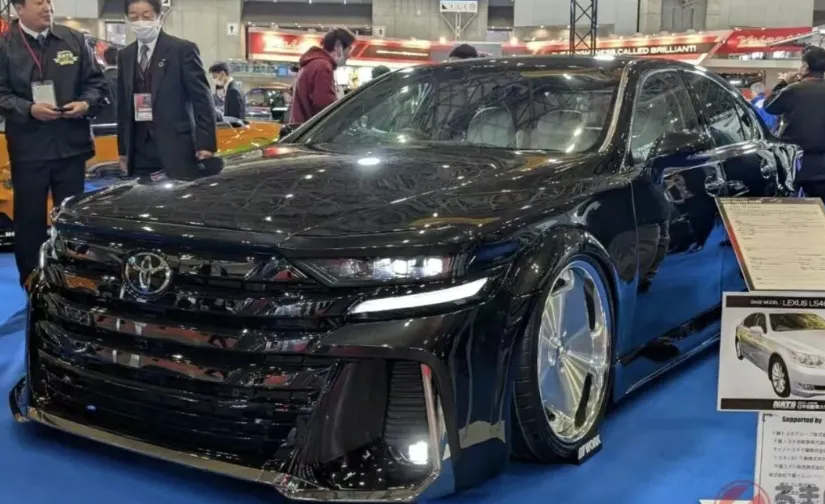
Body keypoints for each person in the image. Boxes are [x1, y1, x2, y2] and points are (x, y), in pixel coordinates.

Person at [0, 0, 108, 286]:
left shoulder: (73, 39)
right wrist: (28, 109)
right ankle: (33, 285)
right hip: (29, 150)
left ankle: (73, 283)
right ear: (19, 8)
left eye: (49, 1)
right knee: (30, 223)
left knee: (72, 220)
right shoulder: (5, 45)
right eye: (39, 2)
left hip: (71, 145)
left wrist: (85, 103)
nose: (47, 7)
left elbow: (97, 83)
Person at [117, 0, 217, 180]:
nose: (140, 22)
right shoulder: (125, 55)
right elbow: (123, 106)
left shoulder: (182, 50)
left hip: (176, 146)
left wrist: (206, 143)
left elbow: (202, 98)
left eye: (146, 16)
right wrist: (123, 149)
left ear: (160, 17)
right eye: (134, 17)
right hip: (139, 148)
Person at [765, 46, 825, 199]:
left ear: (805, 66)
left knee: (794, 204)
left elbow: (769, 106)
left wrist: (784, 82)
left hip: (796, 160)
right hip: (822, 162)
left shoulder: (793, 90)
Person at [289, 27, 356, 125]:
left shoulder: (313, 63)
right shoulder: (323, 66)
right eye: (349, 49)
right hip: (312, 129)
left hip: (302, 126)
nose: (349, 55)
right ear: (338, 47)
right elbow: (324, 105)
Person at [95, 45, 119, 124]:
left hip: (104, 124)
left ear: (104, 59)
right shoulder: (131, 78)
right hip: (127, 125)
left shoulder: (98, 79)